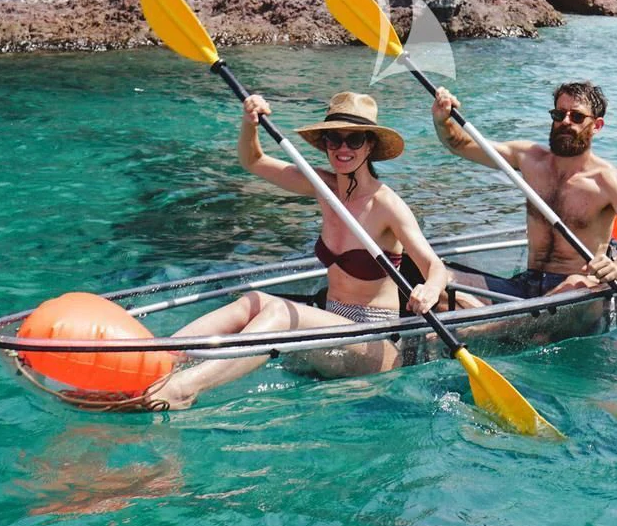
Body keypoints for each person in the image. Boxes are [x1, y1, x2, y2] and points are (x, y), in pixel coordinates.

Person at [142, 91, 447, 409]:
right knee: (254, 300)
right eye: (334, 139)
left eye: (354, 139)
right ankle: (158, 359)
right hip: (329, 327)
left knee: (279, 313)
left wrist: (429, 289)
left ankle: (182, 390)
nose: (343, 148)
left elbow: (434, 267)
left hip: (374, 343)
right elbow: (254, 161)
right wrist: (250, 124)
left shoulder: (386, 204)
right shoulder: (324, 188)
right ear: (326, 143)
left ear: (369, 145)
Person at [430, 79, 617, 296]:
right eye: (559, 114)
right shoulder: (529, 158)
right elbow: (460, 144)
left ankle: (479, 329)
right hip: (526, 284)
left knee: (571, 286)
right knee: (437, 278)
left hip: (575, 289)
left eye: (577, 117)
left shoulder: (608, 181)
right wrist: (443, 120)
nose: (565, 122)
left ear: (596, 126)